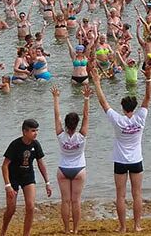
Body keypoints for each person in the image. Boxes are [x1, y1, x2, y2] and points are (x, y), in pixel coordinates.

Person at [90, 64, 151, 232]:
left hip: (120, 160)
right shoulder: (140, 117)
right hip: (136, 160)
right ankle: (137, 226)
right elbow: (148, 98)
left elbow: (104, 103)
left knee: (121, 195)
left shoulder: (118, 120)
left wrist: (97, 82)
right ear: (134, 107)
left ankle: (123, 227)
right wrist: (148, 78)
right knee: (137, 194)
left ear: (123, 108)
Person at [0, 119, 51, 236]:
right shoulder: (15, 145)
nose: (36, 133)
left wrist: (47, 182)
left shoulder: (36, 144)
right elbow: (4, 166)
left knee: (31, 206)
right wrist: (8, 185)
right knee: (11, 209)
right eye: (33, 131)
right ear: (25, 132)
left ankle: (26, 234)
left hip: (28, 176)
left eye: (37, 130)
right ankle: (3, 230)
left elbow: (41, 163)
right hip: (13, 177)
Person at [51, 86, 90, 234]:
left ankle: (66, 229)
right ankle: (75, 229)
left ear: (66, 124)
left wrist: (56, 98)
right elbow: (86, 116)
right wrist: (86, 98)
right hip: (79, 169)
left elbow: (57, 116)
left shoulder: (61, 135)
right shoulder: (81, 135)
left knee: (65, 201)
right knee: (76, 201)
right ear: (77, 124)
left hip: (63, 169)